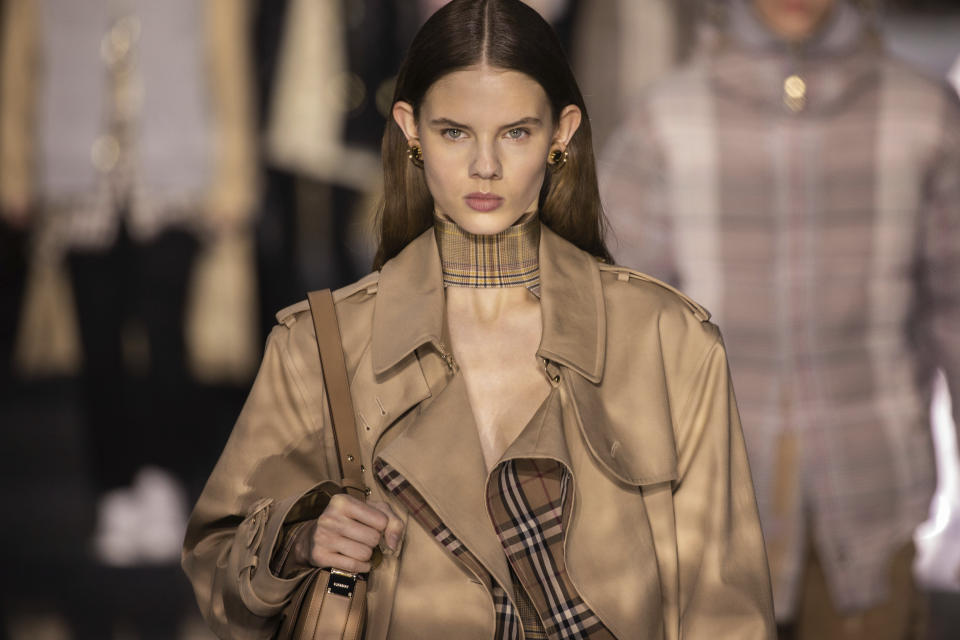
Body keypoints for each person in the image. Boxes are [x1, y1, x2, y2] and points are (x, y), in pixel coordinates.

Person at [182, 1, 775, 637]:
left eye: (516, 132)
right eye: (454, 132)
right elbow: (218, 572)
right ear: (410, 129)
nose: (484, 166)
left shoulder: (669, 341)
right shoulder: (320, 347)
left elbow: (727, 612)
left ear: (561, 133)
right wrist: (295, 540)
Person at [600, 0, 960, 638]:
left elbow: (953, 313)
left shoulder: (924, 115)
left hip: (874, 508)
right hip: (701, 522)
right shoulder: (666, 121)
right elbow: (612, 333)